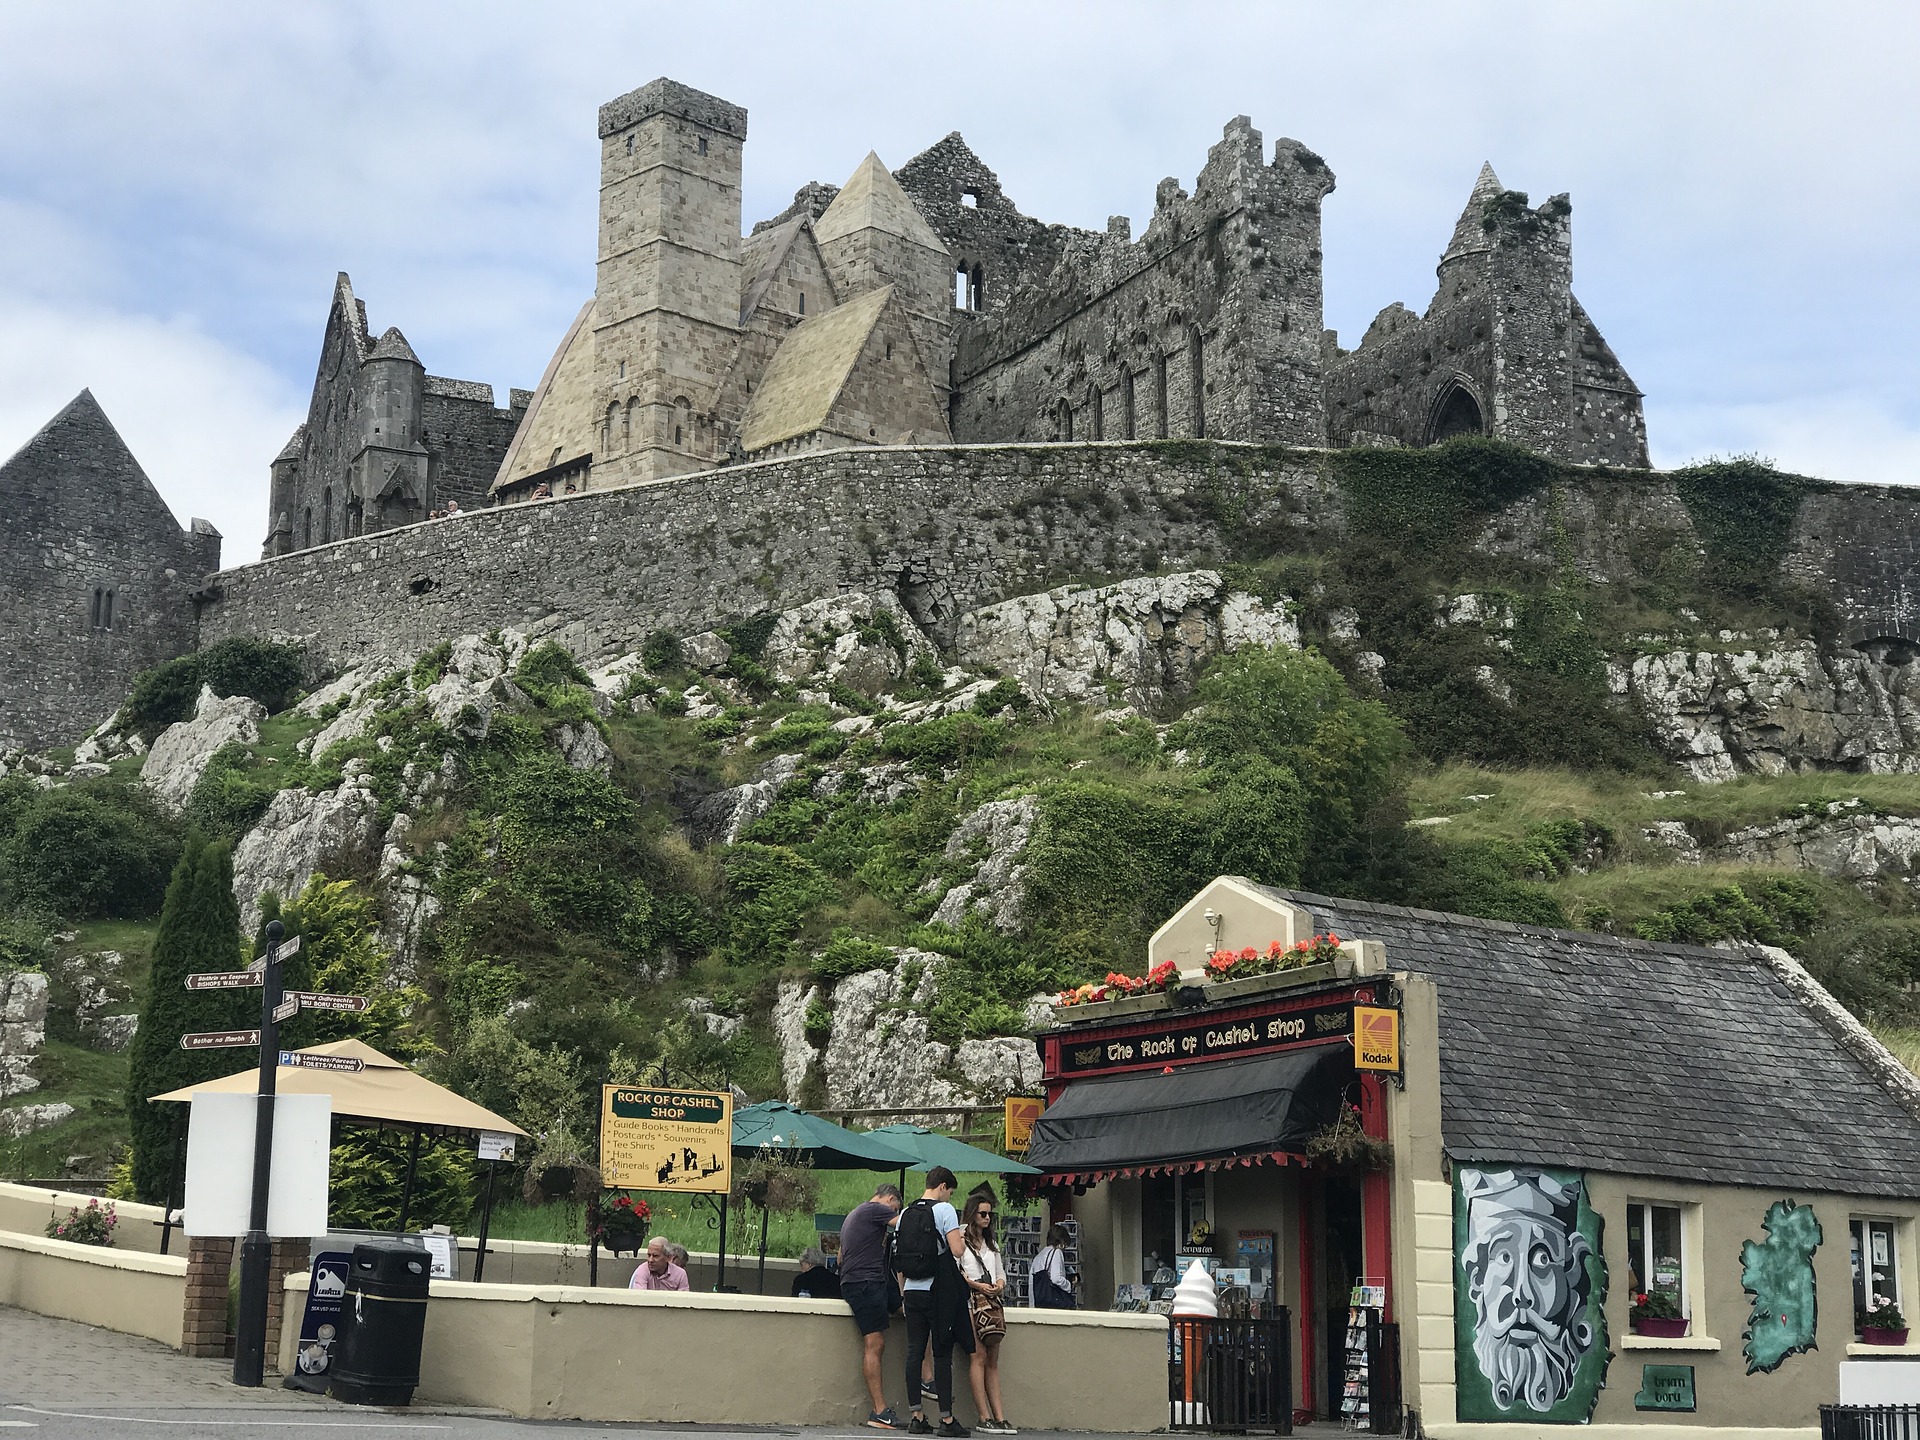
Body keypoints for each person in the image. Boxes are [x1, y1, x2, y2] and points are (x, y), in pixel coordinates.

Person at [897, 1166, 973, 1437]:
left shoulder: (905, 1213)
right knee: (941, 1353)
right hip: (937, 1290)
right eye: (949, 1192)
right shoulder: (944, 1211)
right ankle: (947, 1420)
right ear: (942, 1186)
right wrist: (961, 1239)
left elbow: (899, 1259)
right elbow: (956, 1250)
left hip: (913, 1291)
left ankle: (916, 1416)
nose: (949, 1197)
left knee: (914, 1351)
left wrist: (904, 1293)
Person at [839, 1183, 905, 1429]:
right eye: (894, 1207)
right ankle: (879, 1410)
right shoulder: (875, 1209)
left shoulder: (855, 1214)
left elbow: (840, 1256)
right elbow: (904, 1225)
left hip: (861, 1281)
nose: (893, 1212)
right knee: (875, 1343)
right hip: (865, 1283)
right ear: (889, 1199)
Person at [959, 1187, 1014, 1434]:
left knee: (993, 1360)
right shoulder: (961, 1239)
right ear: (972, 1214)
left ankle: (1000, 1415)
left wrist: (998, 1285)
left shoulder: (991, 1244)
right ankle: (983, 1416)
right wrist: (976, 1284)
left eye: (989, 1214)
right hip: (971, 1301)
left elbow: (1000, 1271)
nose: (987, 1218)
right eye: (982, 1214)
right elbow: (957, 1271)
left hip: (991, 1301)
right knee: (978, 1356)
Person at [1028, 1225, 1074, 1309]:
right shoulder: (1056, 1252)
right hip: (1055, 1302)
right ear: (1062, 1241)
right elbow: (1056, 1278)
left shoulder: (1039, 1256)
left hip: (1039, 1303)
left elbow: (1032, 1282)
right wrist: (1069, 1285)